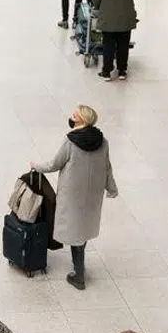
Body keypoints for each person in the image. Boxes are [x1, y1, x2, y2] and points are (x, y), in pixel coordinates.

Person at [31, 105, 118, 290]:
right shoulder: (102, 141)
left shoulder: (71, 141)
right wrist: (111, 187)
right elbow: (107, 166)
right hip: (93, 192)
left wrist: (35, 165)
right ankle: (80, 265)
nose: (71, 116)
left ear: (82, 120)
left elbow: (55, 164)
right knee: (83, 227)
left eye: (75, 114)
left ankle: (79, 275)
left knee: (75, 230)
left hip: (73, 192)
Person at [89, 0, 141, 81]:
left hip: (108, 18)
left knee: (108, 45)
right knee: (123, 45)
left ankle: (106, 72)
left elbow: (95, 0)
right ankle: (122, 71)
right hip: (125, 18)